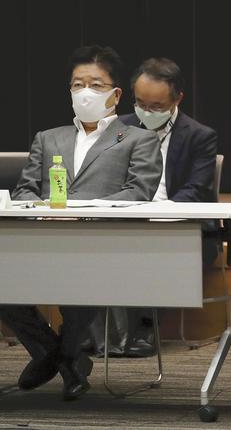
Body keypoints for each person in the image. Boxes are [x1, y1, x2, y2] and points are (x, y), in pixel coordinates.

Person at [1, 45, 162, 400]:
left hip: (100, 244)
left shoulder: (139, 139)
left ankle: (56, 357)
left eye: (95, 84)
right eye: (77, 84)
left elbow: (138, 192)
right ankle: (60, 357)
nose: (85, 92)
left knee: (82, 278)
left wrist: (83, 210)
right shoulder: (48, 138)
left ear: (115, 94)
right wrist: (41, 209)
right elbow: (25, 190)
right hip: (43, 240)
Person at [89, 58, 219, 358]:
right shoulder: (118, 128)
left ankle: (145, 329)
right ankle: (93, 330)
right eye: (141, 103)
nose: (147, 111)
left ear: (178, 99)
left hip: (181, 224)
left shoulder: (200, 136)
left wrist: (160, 215)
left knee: (152, 243)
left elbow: (196, 191)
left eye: (157, 106)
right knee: (94, 241)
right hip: (129, 219)